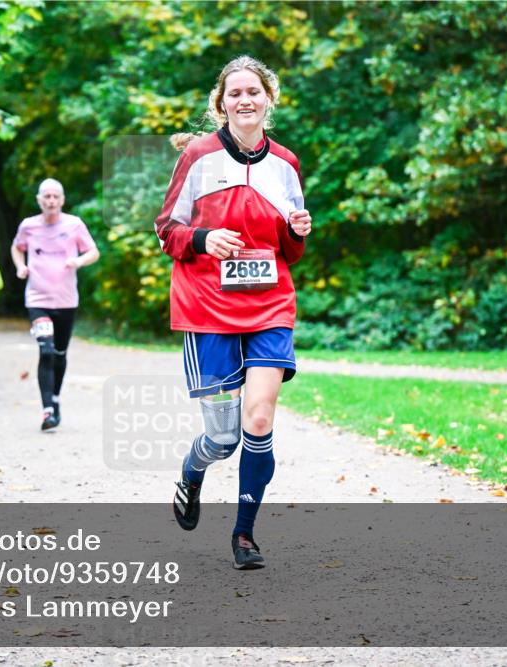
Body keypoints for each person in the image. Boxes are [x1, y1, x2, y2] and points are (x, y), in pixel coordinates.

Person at [154, 55, 313, 570]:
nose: (245, 100)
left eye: (254, 91)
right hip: (208, 309)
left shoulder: (285, 164)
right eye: (235, 93)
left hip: (269, 305)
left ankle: (244, 535)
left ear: (269, 98)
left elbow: (290, 253)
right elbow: (166, 230)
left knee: (260, 418)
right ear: (221, 103)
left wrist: (297, 230)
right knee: (222, 439)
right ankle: (192, 473)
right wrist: (204, 238)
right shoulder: (198, 156)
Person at [11, 178, 100, 431]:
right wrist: (21, 267)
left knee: (60, 354)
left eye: (55, 197)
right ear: (39, 200)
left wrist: (78, 262)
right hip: (37, 299)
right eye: (46, 196)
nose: (51, 201)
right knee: (46, 351)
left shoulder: (74, 224)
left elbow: (93, 251)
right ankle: (47, 410)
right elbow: (16, 248)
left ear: (62, 200)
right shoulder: (28, 226)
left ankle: (56, 399)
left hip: (66, 300)